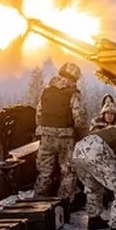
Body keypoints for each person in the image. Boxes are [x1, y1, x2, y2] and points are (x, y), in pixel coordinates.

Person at [33, 62, 88, 203]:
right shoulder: (73, 93)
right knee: (68, 171)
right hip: (66, 138)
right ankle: (63, 205)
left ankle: (39, 203)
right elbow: (79, 118)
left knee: (44, 171)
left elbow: (39, 114)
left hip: (46, 137)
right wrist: (82, 136)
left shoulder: (46, 91)